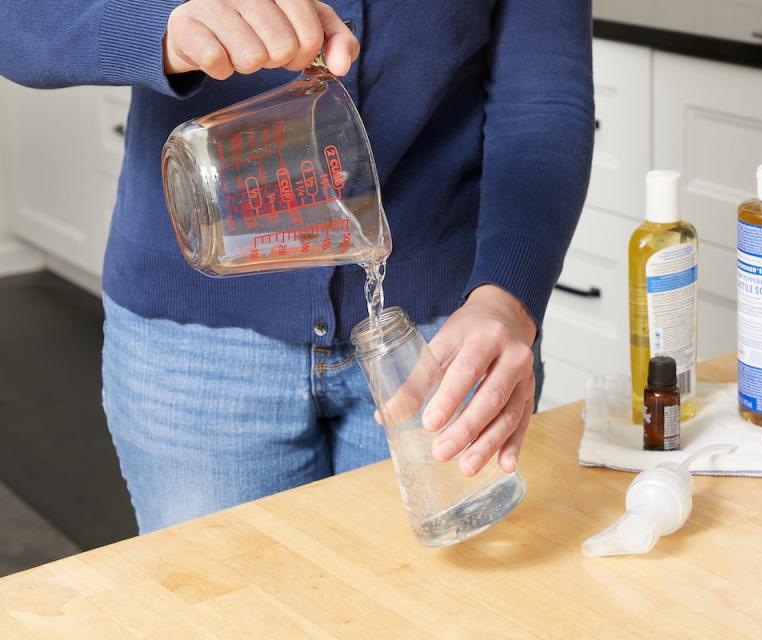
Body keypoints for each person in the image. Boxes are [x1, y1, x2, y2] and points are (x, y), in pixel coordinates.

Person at [0, 1, 594, 533]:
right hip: (194, 351)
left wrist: (507, 298)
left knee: (440, 609)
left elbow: (542, 95)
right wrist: (163, 28)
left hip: (447, 342)